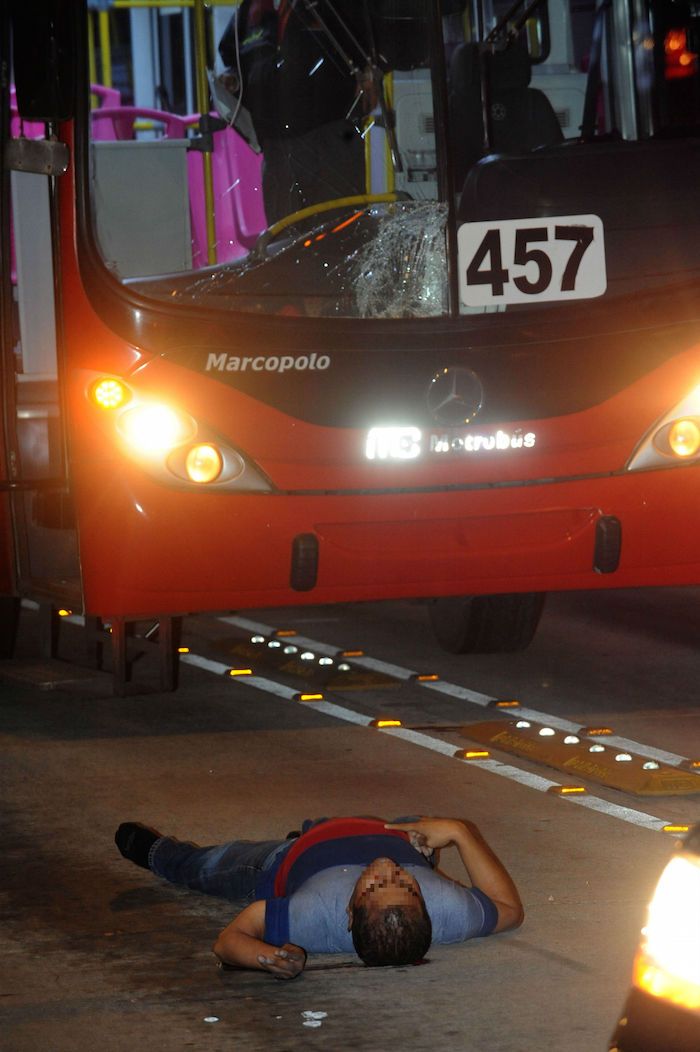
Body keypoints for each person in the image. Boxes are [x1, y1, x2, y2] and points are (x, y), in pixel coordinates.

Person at [115, 814, 524, 979]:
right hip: (379, 823)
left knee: (207, 866)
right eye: (406, 882)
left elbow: (227, 942)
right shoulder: (447, 911)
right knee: (424, 843)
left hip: (289, 859)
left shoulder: (312, 918)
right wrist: (458, 832)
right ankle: (319, 827)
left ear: (348, 911)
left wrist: (268, 959)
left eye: (376, 886)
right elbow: (510, 911)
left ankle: (159, 853)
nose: (385, 868)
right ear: (424, 905)